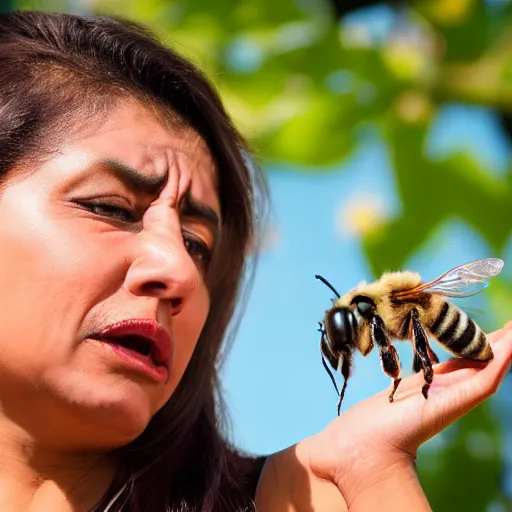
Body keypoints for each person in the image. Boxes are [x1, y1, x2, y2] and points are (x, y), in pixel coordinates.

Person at [0, 9, 510, 512]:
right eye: (109, 207)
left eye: (198, 245)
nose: (179, 271)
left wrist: (372, 478)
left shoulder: (298, 498)